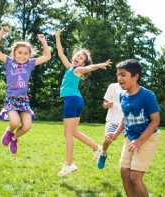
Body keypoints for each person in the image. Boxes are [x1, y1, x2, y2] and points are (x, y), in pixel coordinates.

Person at [55, 29, 111, 176]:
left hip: (72, 100)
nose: (78, 58)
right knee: (73, 132)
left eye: (81, 58)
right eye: (77, 56)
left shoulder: (78, 70)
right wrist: (57, 36)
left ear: (82, 63)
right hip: (76, 100)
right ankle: (96, 148)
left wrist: (99, 65)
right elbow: (60, 53)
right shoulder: (70, 68)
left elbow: (89, 68)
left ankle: (69, 164)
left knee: (67, 133)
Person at [0, 26, 51, 154]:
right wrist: (1, 33)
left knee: (27, 126)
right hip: (11, 98)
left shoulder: (30, 64)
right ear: (14, 53)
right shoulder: (9, 62)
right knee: (15, 122)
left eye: (26, 53)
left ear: (29, 55)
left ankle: (14, 138)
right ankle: (9, 132)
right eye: (20, 52)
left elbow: (47, 56)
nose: (23, 56)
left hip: (23, 100)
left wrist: (44, 42)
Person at [107, 59, 160, 197]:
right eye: (118, 75)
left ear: (135, 76)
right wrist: (116, 133)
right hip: (130, 138)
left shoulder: (147, 95)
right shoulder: (122, 95)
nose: (119, 78)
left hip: (147, 138)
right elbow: (125, 118)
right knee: (124, 172)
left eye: (123, 75)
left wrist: (139, 141)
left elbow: (155, 121)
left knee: (135, 177)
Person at [97, 83, 124, 169]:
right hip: (112, 120)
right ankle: (103, 153)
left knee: (130, 143)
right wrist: (107, 104)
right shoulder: (112, 86)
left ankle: (125, 163)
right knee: (108, 139)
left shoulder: (132, 88)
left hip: (126, 121)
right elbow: (104, 103)